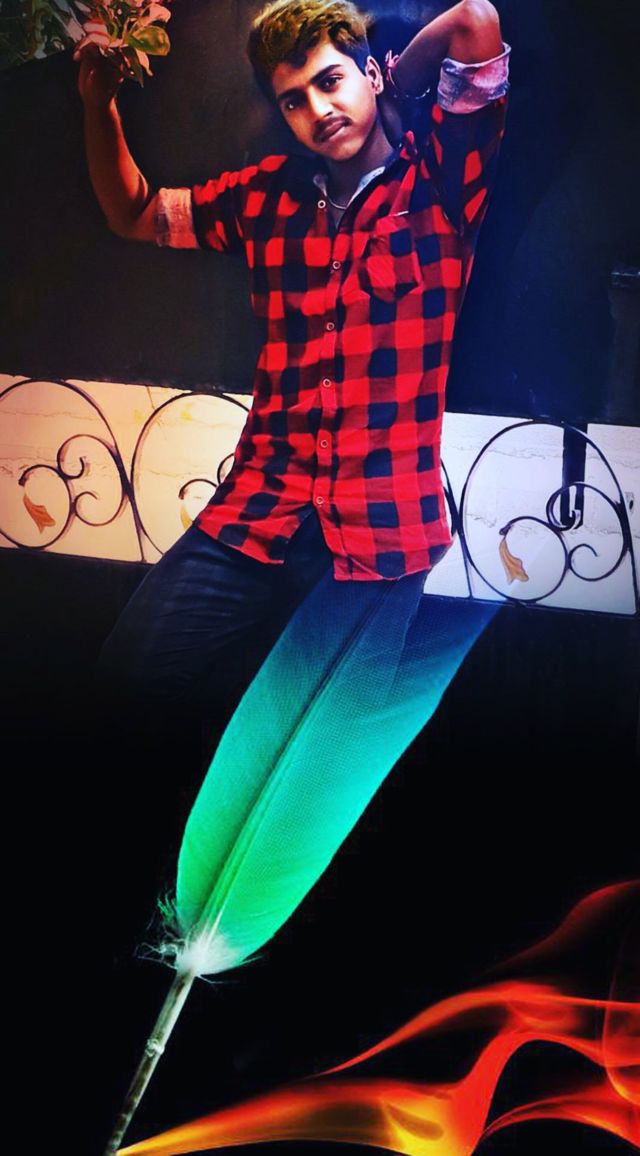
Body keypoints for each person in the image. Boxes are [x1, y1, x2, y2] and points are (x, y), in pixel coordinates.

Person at [78, 0, 510, 754]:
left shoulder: (441, 184)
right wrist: (97, 106)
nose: (318, 110)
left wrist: (398, 84)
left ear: (368, 74)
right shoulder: (267, 198)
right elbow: (135, 212)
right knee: (127, 682)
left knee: (311, 750)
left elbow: (475, 21)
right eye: (293, 100)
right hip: (257, 512)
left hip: (379, 539)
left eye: (331, 81)